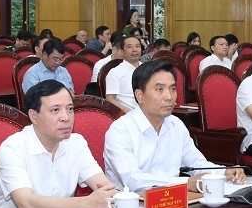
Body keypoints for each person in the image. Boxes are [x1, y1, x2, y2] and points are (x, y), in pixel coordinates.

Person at [0, 80, 119, 208]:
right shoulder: (13, 147)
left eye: (70, 109)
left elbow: (105, 188)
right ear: (33, 116)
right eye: (55, 110)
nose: (66, 117)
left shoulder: (76, 143)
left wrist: (115, 197)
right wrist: (87, 203)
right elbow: (26, 204)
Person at [104, 60, 244, 192]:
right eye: (159, 89)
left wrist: (224, 172)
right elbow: (133, 180)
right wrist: (186, 183)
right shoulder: (120, 131)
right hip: (133, 205)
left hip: (174, 202)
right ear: (140, 96)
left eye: (172, 89)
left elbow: (197, 164)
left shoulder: (176, 125)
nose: (169, 97)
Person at [105, 36, 143, 112]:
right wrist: (130, 113)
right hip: (128, 114)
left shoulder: (148, 69)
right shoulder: (115, 72)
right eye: (129, 47)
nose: (134, 50)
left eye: (137, 46)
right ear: (122, 52)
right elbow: (110, 99)